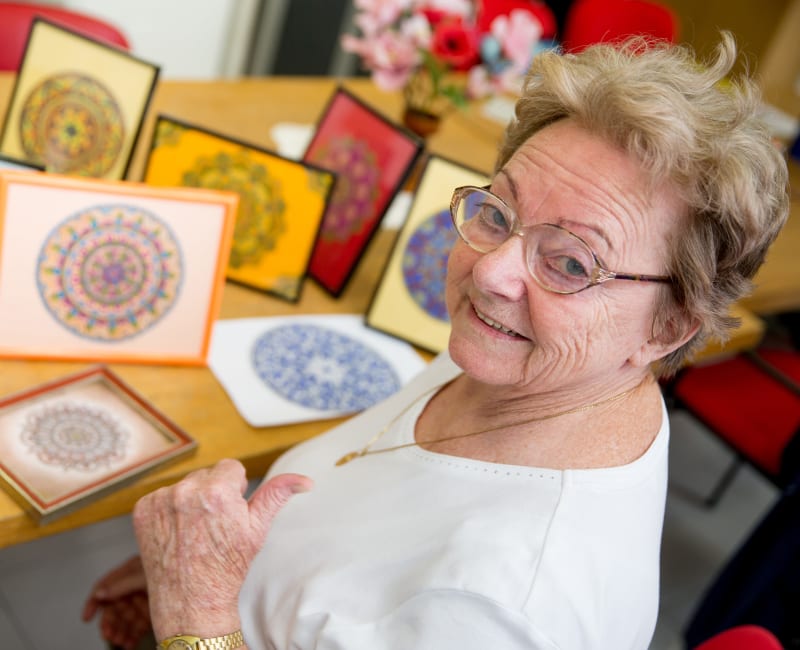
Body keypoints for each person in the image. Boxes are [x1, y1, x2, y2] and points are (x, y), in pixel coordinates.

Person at [82, 32, 789, 650]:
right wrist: (215, 568)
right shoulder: (542, 366)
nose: (491, 270)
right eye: (499, 210)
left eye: (571, 262)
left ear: (668, 327)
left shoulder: (501, 609)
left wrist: (197, 612)